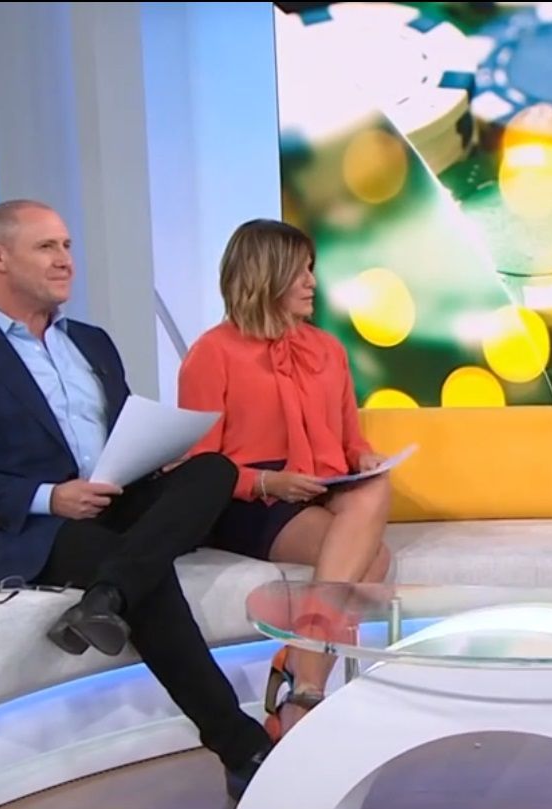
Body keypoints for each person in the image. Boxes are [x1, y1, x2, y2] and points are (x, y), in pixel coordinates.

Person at [0, 199, 271, 800]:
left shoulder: (92, 343)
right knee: (142, 568)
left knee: (213, 470)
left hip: (116, 498)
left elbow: (123, 433)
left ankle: (107, 597)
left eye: (67, 246)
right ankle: (243, 747)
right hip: (29, 525)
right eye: (47, 247)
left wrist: (151, 455)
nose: (65, 260)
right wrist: (50, 497)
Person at [177, 218, 392, 741]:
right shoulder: (212, 353)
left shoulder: (327, 349)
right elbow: (199, 464)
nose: (312, 283)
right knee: (373, 559)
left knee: (376, 488)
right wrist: (268, 485)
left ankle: (301, 670)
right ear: (265, 275)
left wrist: (364, 458)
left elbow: (350, 440)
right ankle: (306, 686)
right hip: (250, 496)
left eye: (311, 270)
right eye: (301, 271)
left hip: (320, 483)